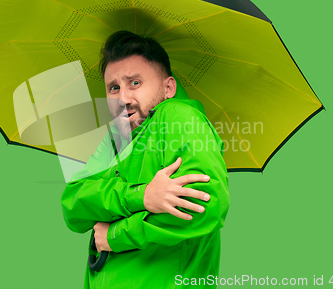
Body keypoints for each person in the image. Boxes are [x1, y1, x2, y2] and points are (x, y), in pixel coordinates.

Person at [60, 30, 229, 288]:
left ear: (168, 87)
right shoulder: (115, 139)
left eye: (135, 83)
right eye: (113, 88)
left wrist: (115, 234)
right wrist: (142, 196)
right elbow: (73, 205)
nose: (123, 98)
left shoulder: (179, 118)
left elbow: (205, 205)